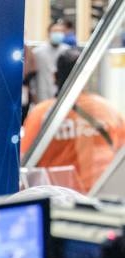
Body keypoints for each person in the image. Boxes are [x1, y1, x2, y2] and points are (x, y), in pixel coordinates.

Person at [21, 48, 125, 194]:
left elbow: (24, 160)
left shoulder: (42, 113)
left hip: (61, 200)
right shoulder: (107, 110)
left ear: (54, 76)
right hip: (102, 196)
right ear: (87, 78)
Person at [32, 20, 71, 103]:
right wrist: (33, 94)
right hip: (42, 95)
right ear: (49, 33)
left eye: (60, 32)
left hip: (62, 97)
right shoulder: (38, 52)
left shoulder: (68, 52)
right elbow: (33, 76)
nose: (58, 34)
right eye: (55, 31)